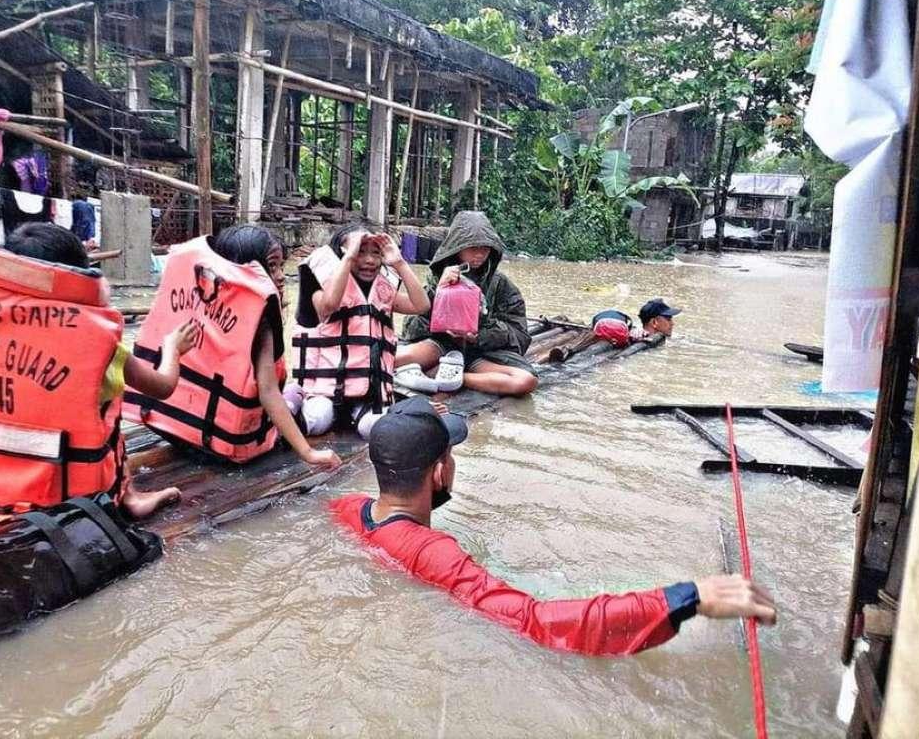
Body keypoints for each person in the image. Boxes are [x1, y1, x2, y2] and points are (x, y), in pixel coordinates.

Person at [331, 397, 778, 657]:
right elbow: (538, 623)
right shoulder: (435, 552)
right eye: (451, 456)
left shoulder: (348, 509)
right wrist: (686, 597)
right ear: (438, 474)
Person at [0, 223, 196, 519]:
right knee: (108, 401)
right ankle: (130, 497)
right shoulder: (98, 340)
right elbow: (162, 386)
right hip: (64, 492)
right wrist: (173, 348)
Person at [124, 224, 341, 472]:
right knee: (301, 399)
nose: (281, 276)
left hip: (172, 427)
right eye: (272, 266)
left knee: (292, 391)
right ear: (246, 268)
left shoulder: (193, 293)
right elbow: (268, 392)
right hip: (224, 448)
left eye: (281, 266)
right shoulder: (259, 318)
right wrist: (308, 452)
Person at [290, 225, 430, 439]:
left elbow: (421, 305)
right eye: (360, 252)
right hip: (325, 391)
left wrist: (400, 263)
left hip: (367, 394)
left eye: (376, 253)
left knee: (374, 429)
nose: (369, 260)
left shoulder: (383, 292)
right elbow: (328, 306)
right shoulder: (320, 287)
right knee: (317, 420)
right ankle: (292, 398)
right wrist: (348, 259)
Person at [396, 211, 538, 397]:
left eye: (485, 249)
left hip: (479, 355)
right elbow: (411, 327)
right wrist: (438, 293)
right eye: (473, 248)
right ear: (458, 247)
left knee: (526, 381)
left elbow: (519, 335)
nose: (479, 255)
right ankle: (439, 370)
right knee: (389, 360)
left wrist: (478, 335)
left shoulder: (501, 284)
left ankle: (453, 377)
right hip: (439, 347)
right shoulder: (439, 277)